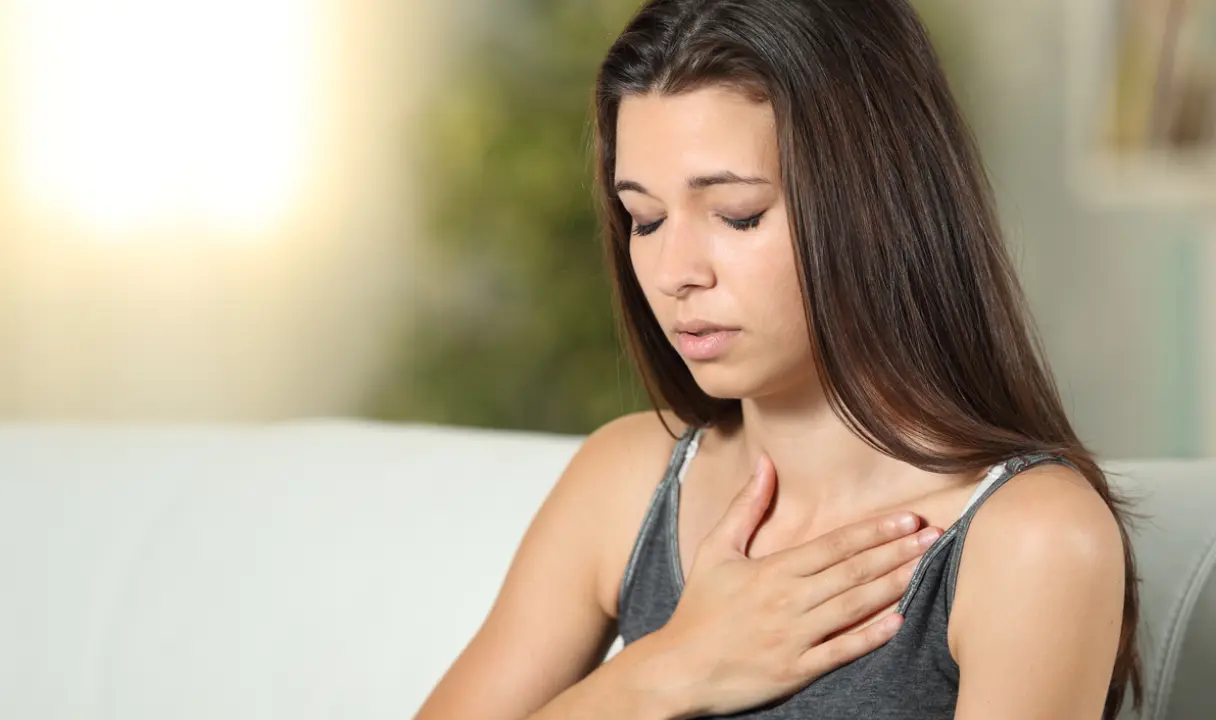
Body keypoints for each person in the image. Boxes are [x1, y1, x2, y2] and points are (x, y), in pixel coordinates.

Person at [415, 0, 1141, 718]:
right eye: (646, 219)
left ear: (875, 205)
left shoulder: (1035, 540)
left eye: (738, 216)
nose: (675, 273)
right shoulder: (626, 482)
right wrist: (666, 670)